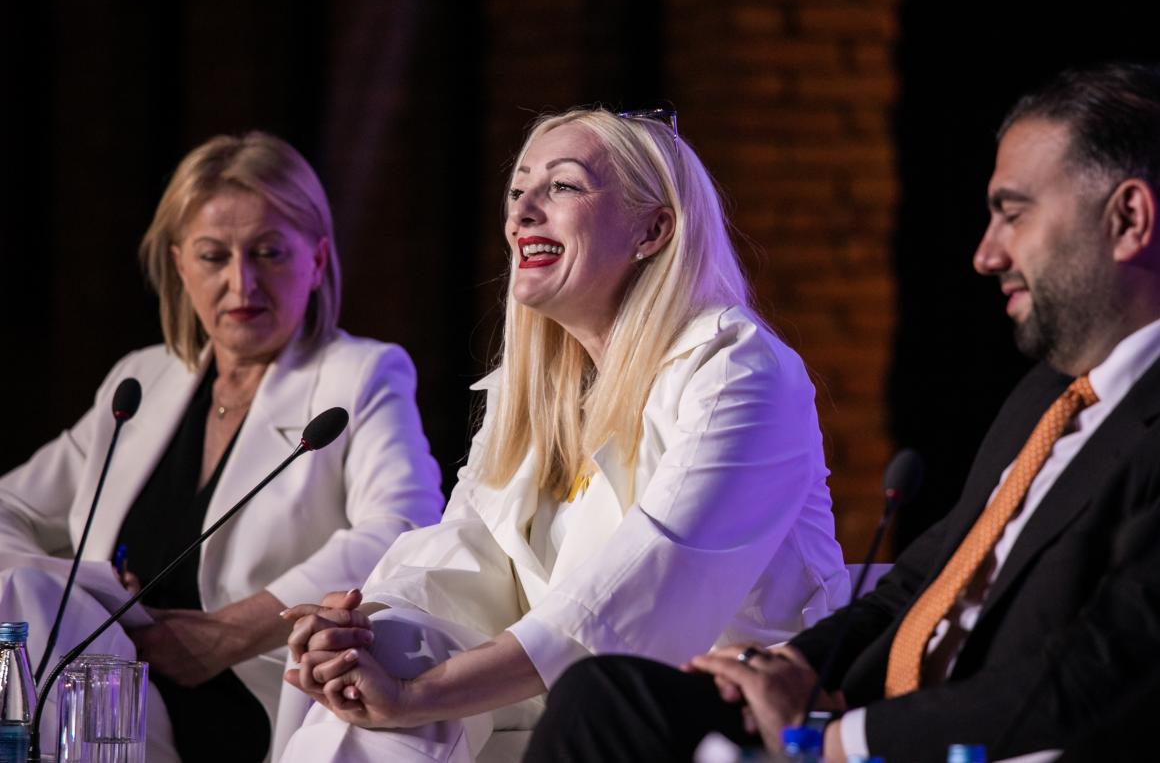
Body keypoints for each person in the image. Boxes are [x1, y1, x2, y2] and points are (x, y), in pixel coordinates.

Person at [524, 62, 1160, 763]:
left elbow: (1098, 673)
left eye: (1013, 214)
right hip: (865, 715)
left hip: (967, 743)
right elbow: (917, 585)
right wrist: (788, 668)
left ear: (1128, 219)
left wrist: (833, 741)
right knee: (605, 699)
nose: (985, 254)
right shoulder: (1049, 395)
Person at [273, 107, 849, 762]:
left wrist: (419, 695)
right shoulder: (531, 391)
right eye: (518, 190)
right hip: (561, 695)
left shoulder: (738, 370)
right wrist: (360, 630)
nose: (522, 214)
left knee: (407, 692)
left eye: (563, 186)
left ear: (653, 230)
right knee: (385, 653)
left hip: (711, 710)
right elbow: (463, 553)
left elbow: (646, 585)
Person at [0, 131, 444, 762]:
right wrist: (90, 590)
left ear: (317, 260)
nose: (242, 283)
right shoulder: (144, 379)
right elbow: (8, 510)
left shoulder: (359, 375)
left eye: (269, 253)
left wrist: (230, 633)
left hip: (248, 700)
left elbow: (405, 527)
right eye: (214, 256)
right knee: (26, 593)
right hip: (98, 693)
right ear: (180, 266)